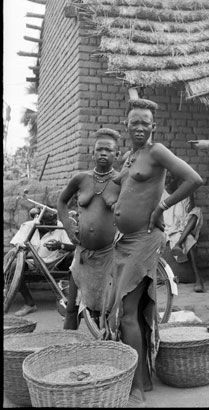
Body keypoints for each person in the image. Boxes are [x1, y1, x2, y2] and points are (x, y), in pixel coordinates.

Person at [102, 98, 203, 407]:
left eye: (145, 122)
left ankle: (135, 390)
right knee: (134, 309)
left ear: (153, 127)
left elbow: (193, 179)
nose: (140, 127)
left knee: (128, 311)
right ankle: (143, 377)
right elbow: (117, 186)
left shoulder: (157, 152)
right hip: (125, 240)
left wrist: (162, 205)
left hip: (144, 240)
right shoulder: (131, 156)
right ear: (127, 126)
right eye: (135, 122)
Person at [57, 128, 121, 330]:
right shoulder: (81, 179)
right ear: (92, 153)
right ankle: (70, 345)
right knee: (72, 305)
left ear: (116, 155)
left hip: (109, 254)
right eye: (99, 149)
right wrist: (68, 226)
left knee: (109, 308)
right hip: (83, 253)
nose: (103, 153)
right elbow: (61, 201)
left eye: (108, 150)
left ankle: (108, 347)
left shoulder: (121, 181)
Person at [10, 208, 75, 317]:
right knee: (14, 265)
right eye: (50, 222)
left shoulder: (59, 225)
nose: (54, 224)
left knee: (75, 256)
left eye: (55, 220)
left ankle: (73, 301)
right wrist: (29, 254)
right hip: (32, 261)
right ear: (40, 221)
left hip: (55, 261)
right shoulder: (28, 226)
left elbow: (73, 247)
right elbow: (16, 246)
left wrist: (60, 245)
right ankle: (29, 303)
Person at [162, 173, 205, 292]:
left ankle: (198, 279)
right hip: (168, 230)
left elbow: (191, 213)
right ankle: (179, 244)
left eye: (171, 178)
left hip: (184, 228)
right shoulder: (160, 195)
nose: (167, 182)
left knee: (197, 212)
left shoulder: (185, 194)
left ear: (177, 180)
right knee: (189, 240)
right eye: (165, 179)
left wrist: (190, 194)